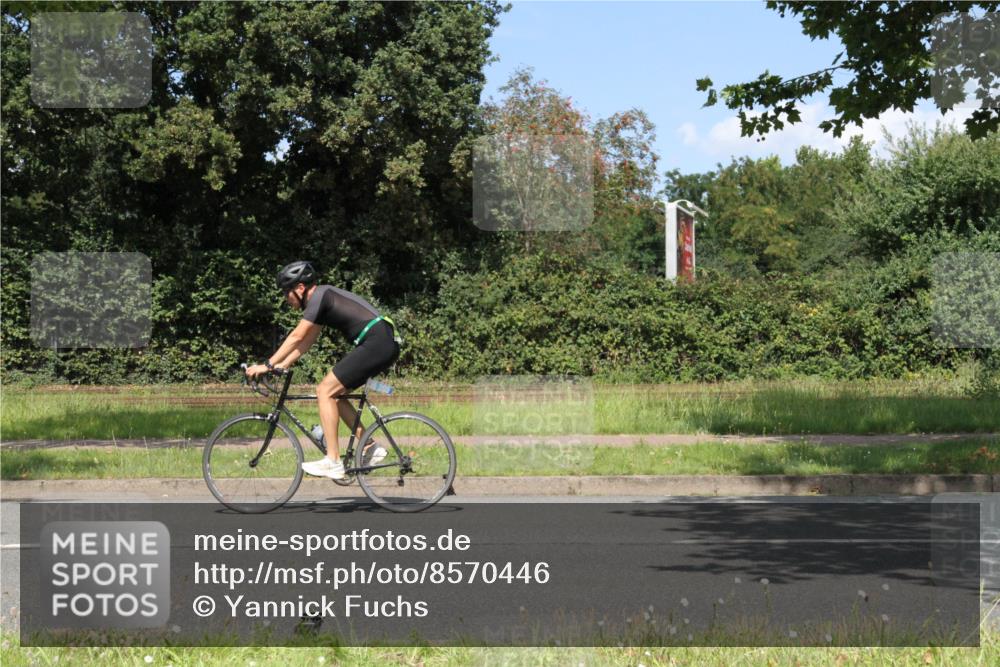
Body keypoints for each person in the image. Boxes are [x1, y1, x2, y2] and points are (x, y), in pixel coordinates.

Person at [244, 261, 400, 479]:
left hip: (377, 341)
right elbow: (305, 343)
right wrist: (281, 365)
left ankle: (333, 460)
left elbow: (297, 336)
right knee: (335, 396)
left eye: (286, 292)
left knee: (324, 390)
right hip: (381, 341)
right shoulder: (321, 303)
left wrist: (267, 365)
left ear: (300, 288)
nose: (285, 299)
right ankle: (370, 447)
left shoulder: (320, 296)